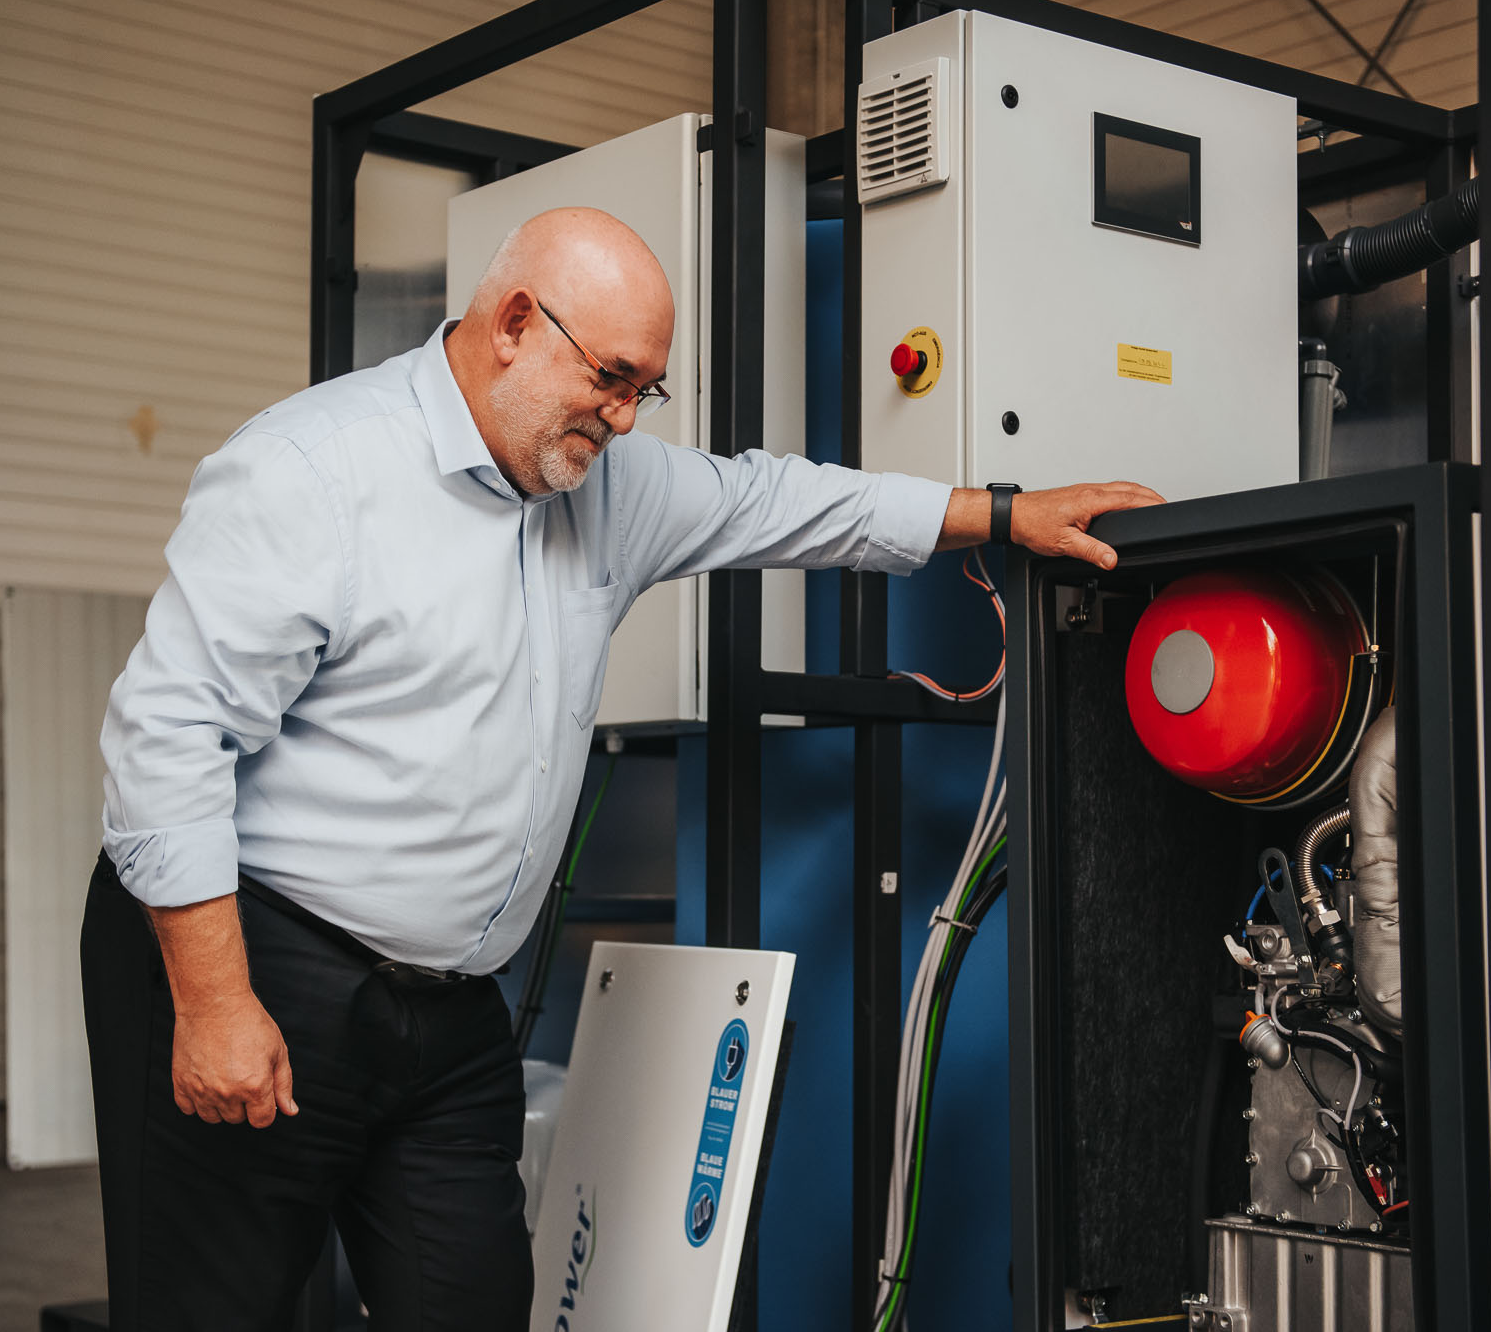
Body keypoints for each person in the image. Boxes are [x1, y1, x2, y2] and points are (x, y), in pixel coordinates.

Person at [83, 206, 1163, 1331]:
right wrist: (212, 1002)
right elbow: (166, 734)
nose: (622, 415)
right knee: (212, 1307)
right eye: (608, 377)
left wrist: (997, 512)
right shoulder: (312, 468)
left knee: (472, 1304)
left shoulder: (606, 485)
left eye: (645, 388)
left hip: (446, 1010)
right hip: (254, 952)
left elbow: (777, 498)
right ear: (511, 322)